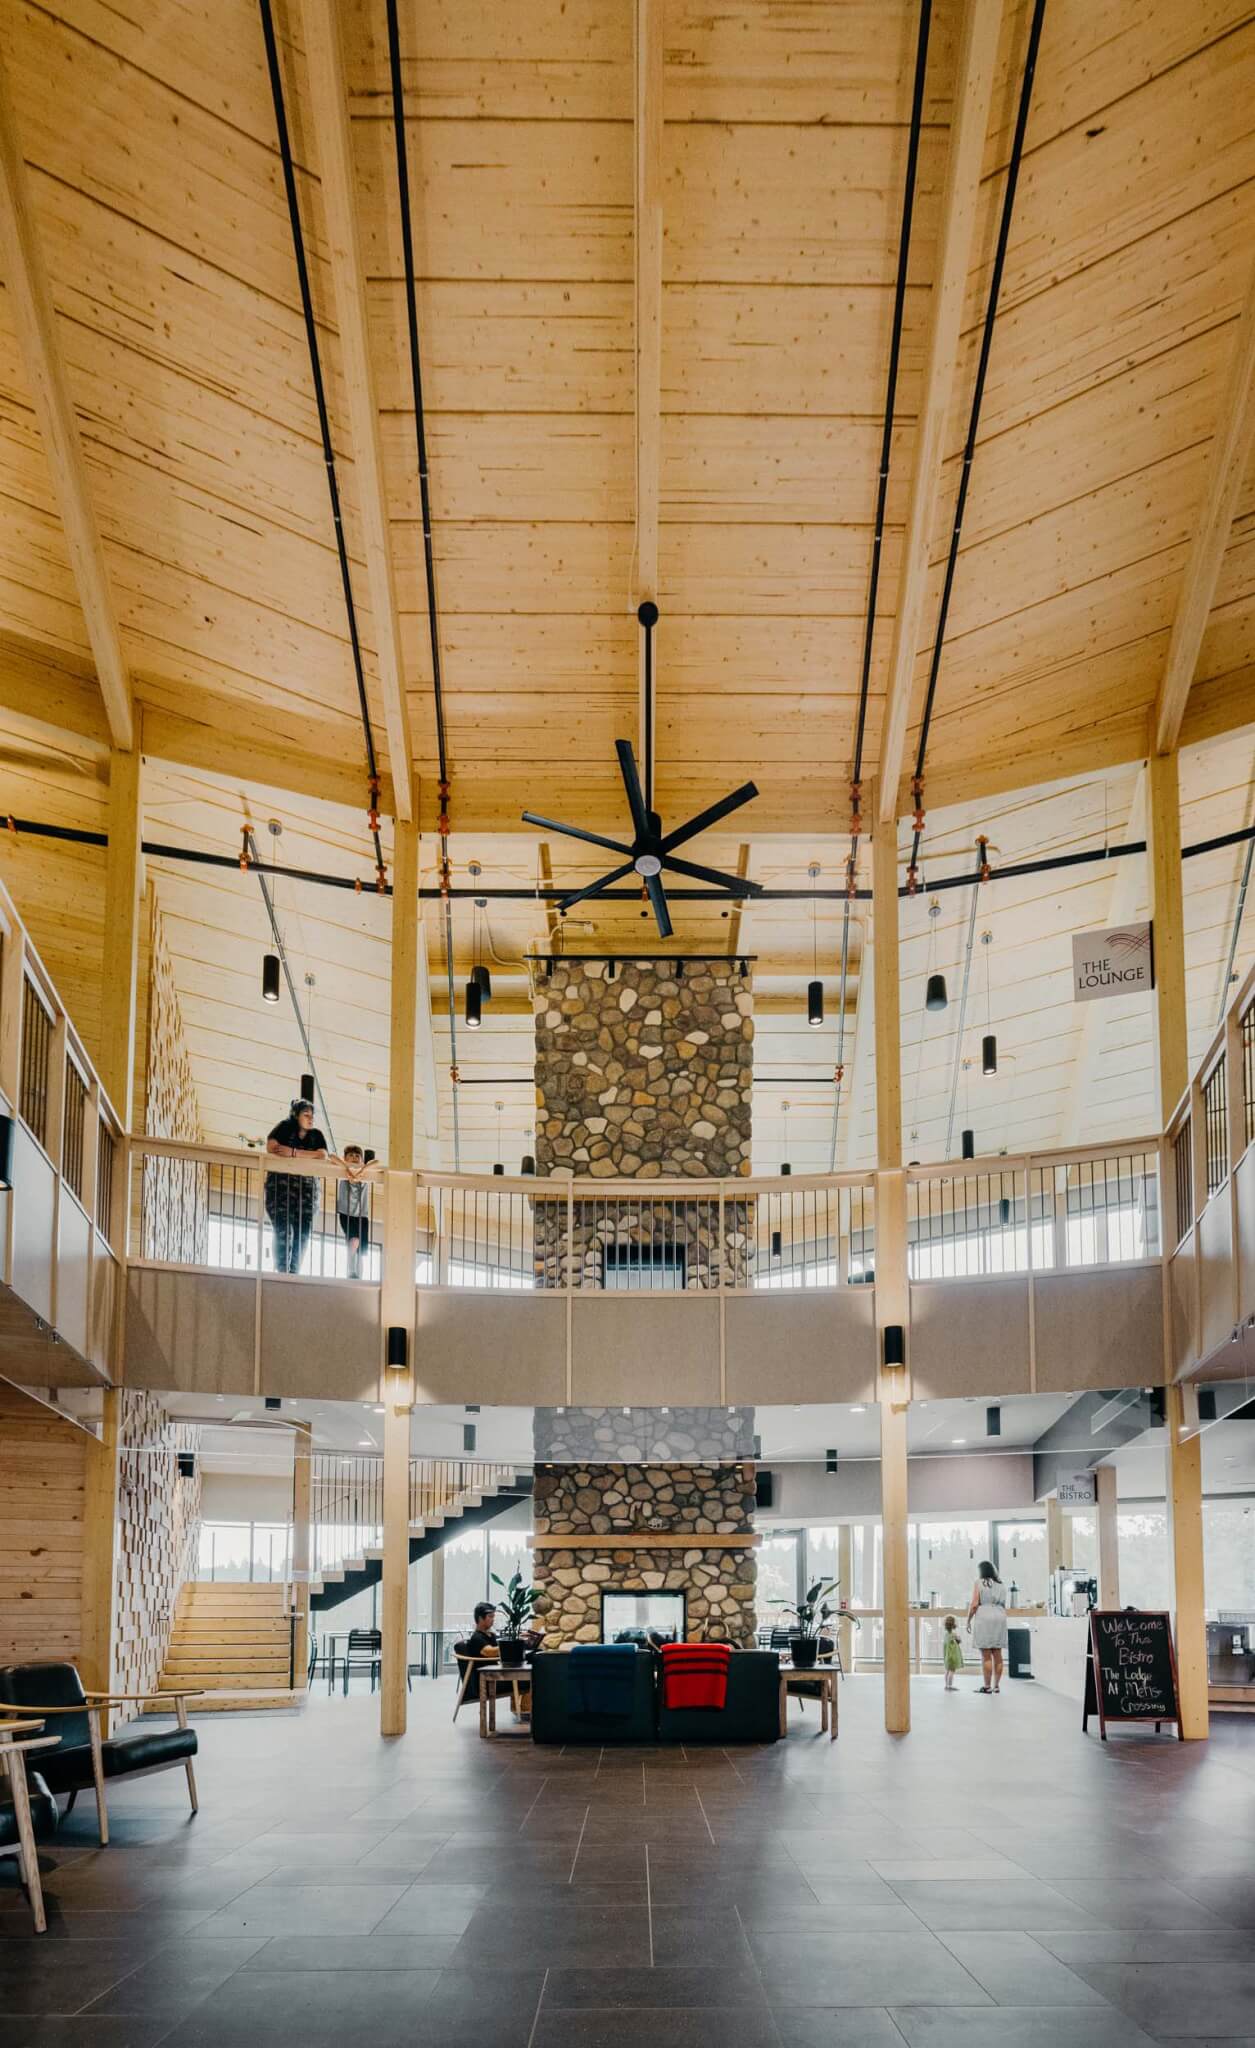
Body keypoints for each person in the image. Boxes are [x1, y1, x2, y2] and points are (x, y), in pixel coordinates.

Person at [265, 1098, 328, 1274]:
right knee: (283, 1231)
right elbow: (272, 1146)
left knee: (302, 1236)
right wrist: (308, 1155)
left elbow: (322, 1155)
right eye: (306, 1114)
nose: (310, 1118)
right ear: (296, 1115)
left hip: (307, 1195)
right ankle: (282, 1269)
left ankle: (293, 1272)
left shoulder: (316, 1135)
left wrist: (293, 1153)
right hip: (280, 1191)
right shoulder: (284, 1127)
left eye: (312, 1115)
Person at [967, 1560, 1008, 1694]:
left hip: (984, 1616)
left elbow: (974, 1604)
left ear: (981, 1571)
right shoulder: (1001, 1585)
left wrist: (968, 1620)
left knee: (986, 1655)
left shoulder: (979, 1583)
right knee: (997, 1653)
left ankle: (987, 1686)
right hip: (1000, 1616)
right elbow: (1003, 1603)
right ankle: (996, 1686)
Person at [337, 1144, 371, 1278]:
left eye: (357, 1156)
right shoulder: (343, 1171)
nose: (354, 1157)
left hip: (362, 1215)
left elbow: (376, 1162)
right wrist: (346, 1167)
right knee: (354, 1241)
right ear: (345, 1158)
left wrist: (364, 1168)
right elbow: (332, 1157)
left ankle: (359, 1276)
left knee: (360, 1251)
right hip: (346, 1213)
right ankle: (350, 1270)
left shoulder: (365, 1172)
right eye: (350, 1155)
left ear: (361, 1160)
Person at [942, 1613, 963, 1692]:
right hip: (953, 1656)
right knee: (952, 1671)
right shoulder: (954, 1634)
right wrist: (958, 1638)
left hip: (947, 1656)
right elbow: (959, 1641)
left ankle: (946, 1685)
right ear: (954, 1625)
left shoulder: (946, 1635)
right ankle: (950, 1686)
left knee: (947, 1670)